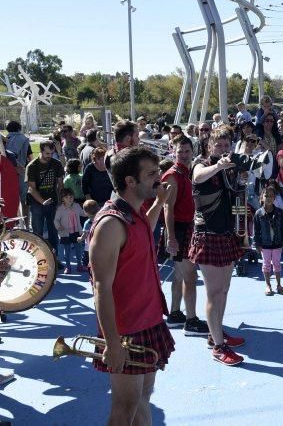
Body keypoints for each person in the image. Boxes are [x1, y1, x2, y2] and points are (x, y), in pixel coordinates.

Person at [88, 146, 175, 425]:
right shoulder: (110, 224)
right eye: (151, 174)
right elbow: (101, 287)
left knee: (143, 399)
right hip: (126, 330)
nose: (159, 178)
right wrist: (112, 342)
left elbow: (141, 232)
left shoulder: (134, 212)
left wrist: (159, 203)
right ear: (130, 181)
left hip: (148, 320)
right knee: (125, 407)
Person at [188, 127, 246, 366]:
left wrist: (243, 232)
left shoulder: (232, 170)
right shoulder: (200, 164)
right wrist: (220, 165)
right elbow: (197, 177)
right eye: (218, 145)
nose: (223, 149)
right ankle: (217, 346)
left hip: (227, 234)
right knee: (213, 292)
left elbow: (238, 199)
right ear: (209, 146)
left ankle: (217, 334)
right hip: (207, 235)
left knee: (224, 290)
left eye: (226, 145)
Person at [162, 136, 209, 337]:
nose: (183, 155)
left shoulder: (186, 173)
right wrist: (171, 237)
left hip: (187, 228)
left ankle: (174, 314)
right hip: (180, 230)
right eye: (180, 151)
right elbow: (167, 208)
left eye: (187, 151)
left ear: (192, 151)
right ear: (174, 152)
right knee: (190, 277)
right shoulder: (173, 175)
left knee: (180, 275)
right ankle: (191, 320)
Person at [26, 140, 64, 252]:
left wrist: (61, 201)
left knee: (53, 231)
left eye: (52, 153)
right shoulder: (32, 166)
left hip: (52, 201)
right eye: (47, 153)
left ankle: (54, 258)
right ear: (41, 151)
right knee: (38, 232)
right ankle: (39, 257)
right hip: (36, 203)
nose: (50, 156)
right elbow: (31, 188)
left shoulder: (56, 163)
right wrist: (42, 201)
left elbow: (60, 184)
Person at [253, 186, 283, 296]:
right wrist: (257, 244)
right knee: (266, 264)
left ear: (275, 198)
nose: (269, 198)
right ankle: (268, 285)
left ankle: (279, 284)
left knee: (277, 264)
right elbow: (256, 230)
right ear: (262, 197)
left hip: (277, 243)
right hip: (265, 244)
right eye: (266, 195)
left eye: (271, 196)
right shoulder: (258, 213)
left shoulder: (280, 212)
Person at [54, 189, 84, 274]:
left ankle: (79, 266)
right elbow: (56, 220)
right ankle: (68, 267)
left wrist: (90, 211)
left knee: (79, 250)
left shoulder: (77, 206)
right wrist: (59, 227)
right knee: (67, 252)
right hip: (65, 233)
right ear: (62, 199)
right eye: (66, 197)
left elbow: (82, 213)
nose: (69, 198)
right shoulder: (60, 209)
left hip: (76, 232)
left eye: (71, 196)